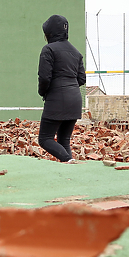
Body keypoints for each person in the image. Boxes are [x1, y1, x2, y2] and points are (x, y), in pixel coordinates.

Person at [37, 14, 86, 162]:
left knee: (45, 139)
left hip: (57, 99)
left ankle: (68, 160)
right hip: (75, 100)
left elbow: (45, 78)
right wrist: (69, 87)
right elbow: (82, 79)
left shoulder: (48, 50)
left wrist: (43, 92)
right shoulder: (76, 52)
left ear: (49, 32)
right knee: (63, 139)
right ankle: (70, 171)